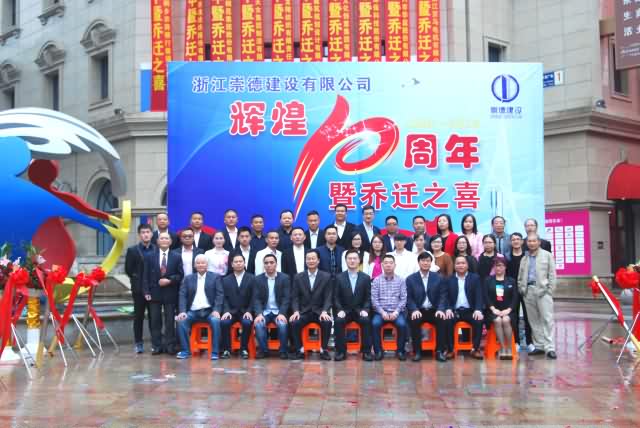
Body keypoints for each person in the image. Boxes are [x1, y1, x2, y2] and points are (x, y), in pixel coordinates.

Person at [142, 232, 184, 355]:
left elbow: (180, 275)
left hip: (170, 293)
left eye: (167, 238)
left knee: (170, 321)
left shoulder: (177, 256)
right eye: (162, 238)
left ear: (170, 241)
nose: (164, 240)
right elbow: (145, 275)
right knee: (155, 321)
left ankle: (170, 345)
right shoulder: (150, 256)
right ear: (157, 241)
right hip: (154, 293)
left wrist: (169, 280)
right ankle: (156, 345)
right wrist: (146, 291)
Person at [175, 254, 223, 360]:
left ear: (207, 265)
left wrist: (216, 310)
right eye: (198, 263)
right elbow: (182, 295)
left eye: (203, 263)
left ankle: (215, 352)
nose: (201, 265)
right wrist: (182, 311)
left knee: (215, 321)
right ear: (194, 265)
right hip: (193, 312)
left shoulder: (215, 277)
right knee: (181, 321)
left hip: (209, 311)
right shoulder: (188, 279)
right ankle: (185, 351)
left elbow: (219, 295)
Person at [517, 234, 557, 359]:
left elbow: (552, 274)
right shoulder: (525, 258)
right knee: (533, 320)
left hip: (543, 291)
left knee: (547, 319)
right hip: (528, 291)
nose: (531, 243)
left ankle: (549, 347)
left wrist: (550, 290)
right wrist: (522, 288)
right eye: (529, 241)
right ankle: (539, 345)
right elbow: (520, 276)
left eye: (534, 241)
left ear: (539, 242)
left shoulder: (547, 255)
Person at [289, 250, 333, 360]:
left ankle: (323, 350)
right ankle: (300, 350)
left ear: (318, 261)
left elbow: (328, 297)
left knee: (327, 322)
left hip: (320, 312)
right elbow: (295, 297)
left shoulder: (326, 276)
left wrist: (325, 311)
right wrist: (296, 311)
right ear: (305, 261)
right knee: (294, 322)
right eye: (308, 259)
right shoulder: (298, 277)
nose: (311, 261)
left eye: (313, 258)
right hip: (304, 311)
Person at [406, 252, 448, 362]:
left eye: (428, 261)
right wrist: (414, 309)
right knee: (414, 320)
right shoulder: (410, 279)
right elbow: (408, 298)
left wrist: (440, 309)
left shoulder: (438, 278)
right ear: (419, 262)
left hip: (434, 310)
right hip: (418, 309)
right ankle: (417, 352)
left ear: (431, 263)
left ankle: (439, 351)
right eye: (423, 261)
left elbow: (443, 295)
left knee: (442, 319)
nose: (425, 263)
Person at [333, 250, 373, 361]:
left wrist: (365, 309)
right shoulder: (339, 277)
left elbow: (368, 297)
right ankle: (341, 351)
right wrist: (339, 310)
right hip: (344, 310)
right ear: (346, 261)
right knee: (338, 321)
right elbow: (335, 297)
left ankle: (366, 352)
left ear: (359, 260)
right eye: (349, 258)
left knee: (366, 320)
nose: (352, 261)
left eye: (355, 258)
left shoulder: (365, 278)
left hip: (360, 310)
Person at [442, 256, 484, 360]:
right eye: (458, 263)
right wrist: (448, 309)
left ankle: (475, 349)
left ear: (467, 265)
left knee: (478, 320)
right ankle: (450, 349)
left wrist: (478, 310)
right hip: (455, 311)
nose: (460, 265)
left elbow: (479, 295)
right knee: (447, 320)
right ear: (454, 266)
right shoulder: (449, 279)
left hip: (470, 310)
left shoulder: (475, 278)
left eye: (463, 263)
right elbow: (445, 296)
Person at [124, 223, 155, 353]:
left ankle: (155, 342)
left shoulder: (156, 249)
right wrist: (137, 280)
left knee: (154, 317)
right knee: (138, 317)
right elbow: (128, 269)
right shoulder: (132, 250)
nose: (145, 235)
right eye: (143, 232)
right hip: (138, 290)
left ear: (152, 234)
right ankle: (138, 343)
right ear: (139, 235)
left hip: (153, 289)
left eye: (148, 232)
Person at [253, 254, 290, 359]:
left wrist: (282, 313)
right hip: (264, 312)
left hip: (278, 311)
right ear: (263, 265)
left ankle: (283, 350)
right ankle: (264, 350)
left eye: (271, 262)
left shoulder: (284, 278)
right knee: (259, 324)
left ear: (276, 264)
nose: (269, 265)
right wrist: (259, 314)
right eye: (266, 263)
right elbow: (256, 299)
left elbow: (286, 298)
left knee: (282, 325)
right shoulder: (258, 279)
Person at [371, 254, 408, 361]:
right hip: (380, 312)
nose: (388, 265)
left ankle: (400, 351)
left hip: (397, 312)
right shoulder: (376, 280)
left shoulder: (401, 280)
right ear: (382, 265)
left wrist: (396, 312)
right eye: (386, 263)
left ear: (395, 265)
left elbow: (403, 299)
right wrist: (382, 312)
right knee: (375, 324)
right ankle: (378, 351)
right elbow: (374, 299)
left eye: (391, 263)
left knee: (402, 324)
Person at [220, 254, 255, 359]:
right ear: (232, 264)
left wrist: (249, 311)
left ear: (244, 263)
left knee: (247, 323)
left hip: (246, 311)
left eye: (241, 261)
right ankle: (226, 349)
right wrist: (226, 311)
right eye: (236, 262)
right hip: (231, 311)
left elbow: (254, 297)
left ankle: (244, 349)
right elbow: (224, 298)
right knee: (224, 322)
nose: (238, 263)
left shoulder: (252, 278)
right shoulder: (226, 279)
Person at [485, 255, 519, 360]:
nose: (498, 268)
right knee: (498, 320)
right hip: (492, 311)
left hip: (508, 311)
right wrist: (493, 309)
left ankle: (509, 348)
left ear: (505, 267)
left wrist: (508, 310)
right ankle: (503, 348)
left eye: (500, 265)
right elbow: (486, 296)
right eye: (496, 266)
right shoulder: (488, 280)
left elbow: (515, 298)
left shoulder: (511, 281)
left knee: (505, 320)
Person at [508, 232, 533, 351]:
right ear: (510, 242)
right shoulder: (507, 257)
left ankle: (529, 342)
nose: (516, 241)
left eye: (518, 239)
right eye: (513, 239)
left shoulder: (527, 256)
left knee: (528, 316)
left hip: (526, 289)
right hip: (512, 290)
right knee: (514, 317)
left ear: (522, 242)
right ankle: (516, 341)